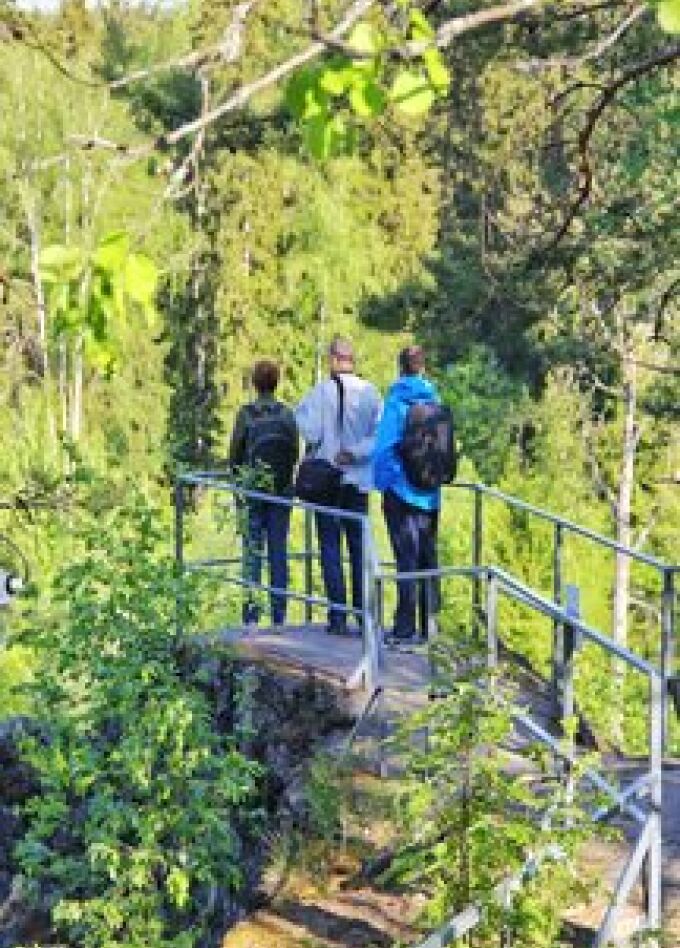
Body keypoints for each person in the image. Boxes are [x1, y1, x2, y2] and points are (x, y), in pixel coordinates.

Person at [295, 336, 381, 636]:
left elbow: (311, 432)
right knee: (358, 548)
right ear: (352, 359)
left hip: (328, 480)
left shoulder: (321, 393)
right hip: (358, 482)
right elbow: (378, 437)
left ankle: (338, 615)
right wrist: (355, 452)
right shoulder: (371, 393)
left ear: (333, 359)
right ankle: (363, 613)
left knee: (330, 547)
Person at [373, 345, 441, 643]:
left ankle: (404, 627)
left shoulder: (397, 400)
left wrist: (382, 484)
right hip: (430, 492)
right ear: (422, 368)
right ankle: (431, 625)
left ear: (401, 368)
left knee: (406, 559)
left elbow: (385, 448)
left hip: (401, 490)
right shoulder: (435, 399)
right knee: (428, 557)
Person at [228, 359, 298, 630]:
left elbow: (234, 454)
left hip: (252, 493)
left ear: (255, 384)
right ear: (276, 382)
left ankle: (251, 617)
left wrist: (239, 485)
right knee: (278, 552)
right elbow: (294, 452)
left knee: (252, 553)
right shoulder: (286, 414)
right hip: (281, 493)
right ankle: (279, 616)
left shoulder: (246, 414)